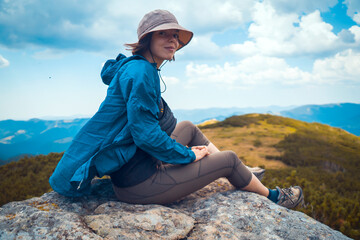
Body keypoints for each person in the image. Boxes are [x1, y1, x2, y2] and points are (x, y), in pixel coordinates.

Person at [49, 9, 304, 209]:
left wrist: (185, 151)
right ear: (147, 39)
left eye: (175, 36)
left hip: (136, 164)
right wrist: (189, 156)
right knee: (228, 159)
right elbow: (145, 135)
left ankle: (246, 175)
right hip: (139, 184)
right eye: (163, 34)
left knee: (188, 128)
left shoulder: (137, 67)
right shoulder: (141, 74)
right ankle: (274, 197)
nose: (172, 40)